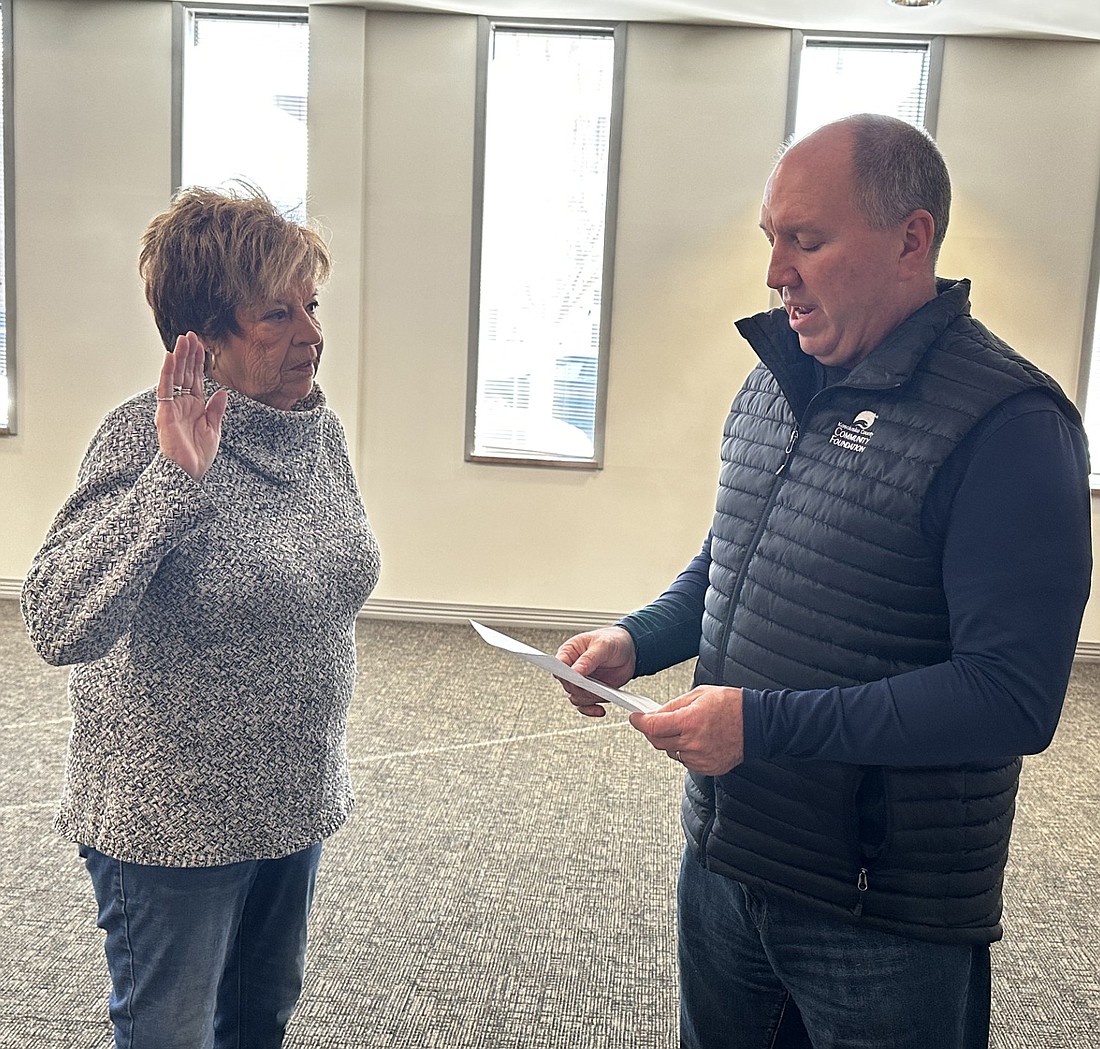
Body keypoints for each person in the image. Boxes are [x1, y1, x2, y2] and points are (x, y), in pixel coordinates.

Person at [556, 113, 1092, 1049]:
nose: (776, 272)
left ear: (910, 239)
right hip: (727, 859)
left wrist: (761, 726)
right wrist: (637, 638)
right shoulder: (776, 378)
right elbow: (736, 558)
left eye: (806, 240)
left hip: (880, 915)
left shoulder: (1012, 425)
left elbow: (1011, 698)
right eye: (771, 239)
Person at [21, 185, 381, 1048]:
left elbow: (329, 579)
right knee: (170, 1032)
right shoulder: (139, 439)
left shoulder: (313, 432)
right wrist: (174, 483)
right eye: (276, 314)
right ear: (203, 340)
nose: (312, 335)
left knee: (260, 1017)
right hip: (171, 826)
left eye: (312, 306)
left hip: (290, 801)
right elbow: (56, 619)